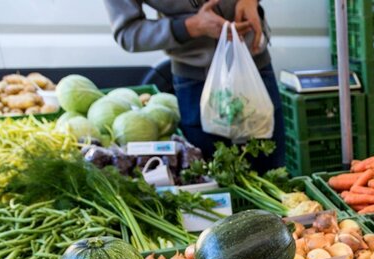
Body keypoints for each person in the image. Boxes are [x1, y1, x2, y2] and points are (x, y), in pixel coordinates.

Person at [103, 0, 285, 171]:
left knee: (271, 171)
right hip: (195, 80)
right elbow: (127, 32)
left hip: (253, 67)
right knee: (212, 178)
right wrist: (191, 27)